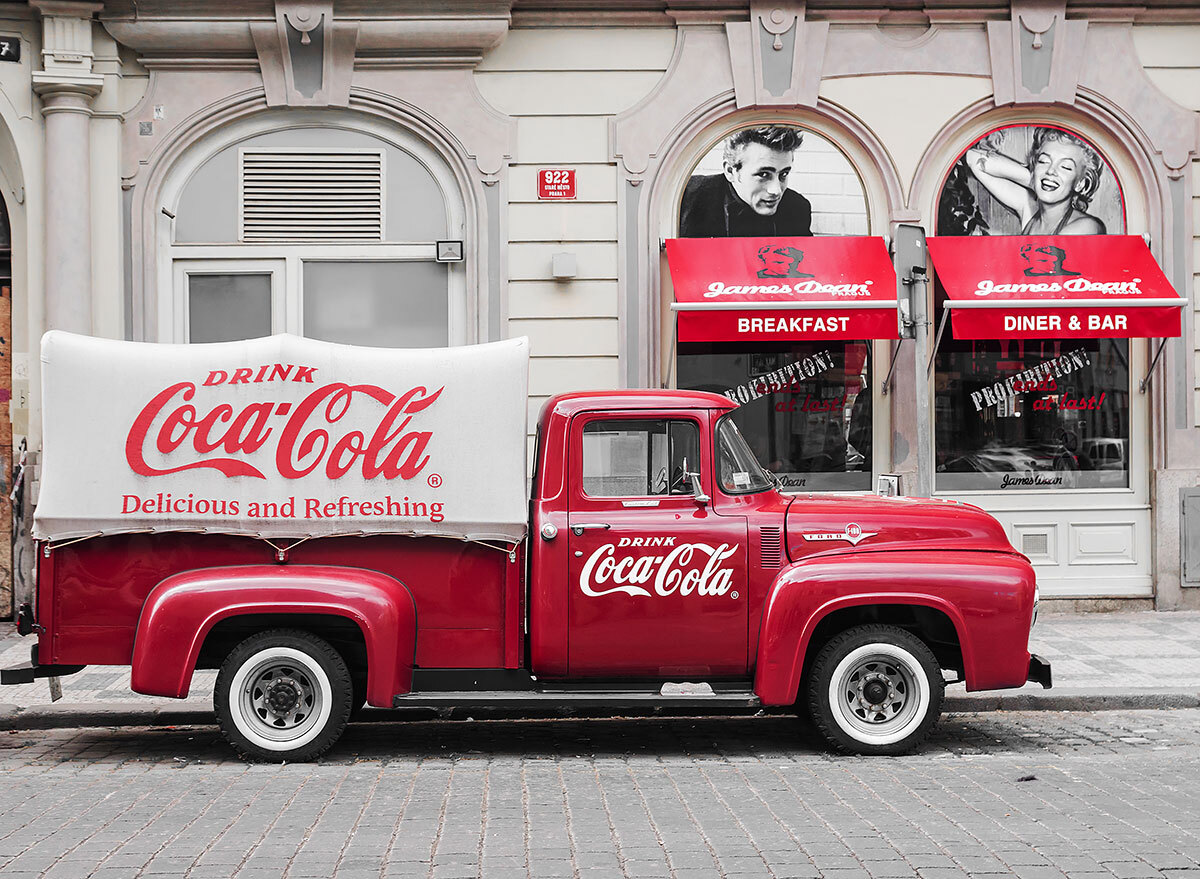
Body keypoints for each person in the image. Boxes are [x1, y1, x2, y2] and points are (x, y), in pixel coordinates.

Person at [963, 127, 1106, 235]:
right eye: (1044, 161)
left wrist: (1044, 179)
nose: (1051, 170)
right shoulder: (1030, 210)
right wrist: (1035, 179)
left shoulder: (1088, 226)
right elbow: (972, 158)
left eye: (1065, 167)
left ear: (1081, 183)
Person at [679, 126, 812, 238]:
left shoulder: (798, 208)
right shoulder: (686, 197)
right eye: (763, 174)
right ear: (730, 171)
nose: (776, 190)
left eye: (783, 174)